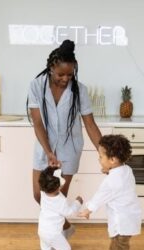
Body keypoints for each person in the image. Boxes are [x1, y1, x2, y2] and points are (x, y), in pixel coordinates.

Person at [27, 39, 102, 236]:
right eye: (61, 74)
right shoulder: (36, 86)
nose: (65, 79)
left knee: (57, 198)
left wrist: (104, 152)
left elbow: (90, 124)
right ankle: (66, 228)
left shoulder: (80, 91)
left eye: (70, 74)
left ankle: (55, 241)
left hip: (69, 149)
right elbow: (37, 123)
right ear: (51, 67)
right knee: (38, 194)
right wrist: (49, 152)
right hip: (45, 147)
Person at [78, 134, 141, 250]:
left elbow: (100, 196)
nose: (99, 159)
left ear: (112, 160)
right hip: (130, 217)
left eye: (101, 156)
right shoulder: (126, 169)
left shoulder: (111, 181)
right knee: (121, 245)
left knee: (117, 248)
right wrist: (109, 170)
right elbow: (118, 184)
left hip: (121, 223)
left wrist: (88, 210)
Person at [38, 167, 83, 250]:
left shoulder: (42, 192)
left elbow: (45, 179)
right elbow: (69, 212)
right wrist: (78, 202)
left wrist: (50, 169)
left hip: (42, 230)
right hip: (53, 234)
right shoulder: (60, 201)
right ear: (60, 185)